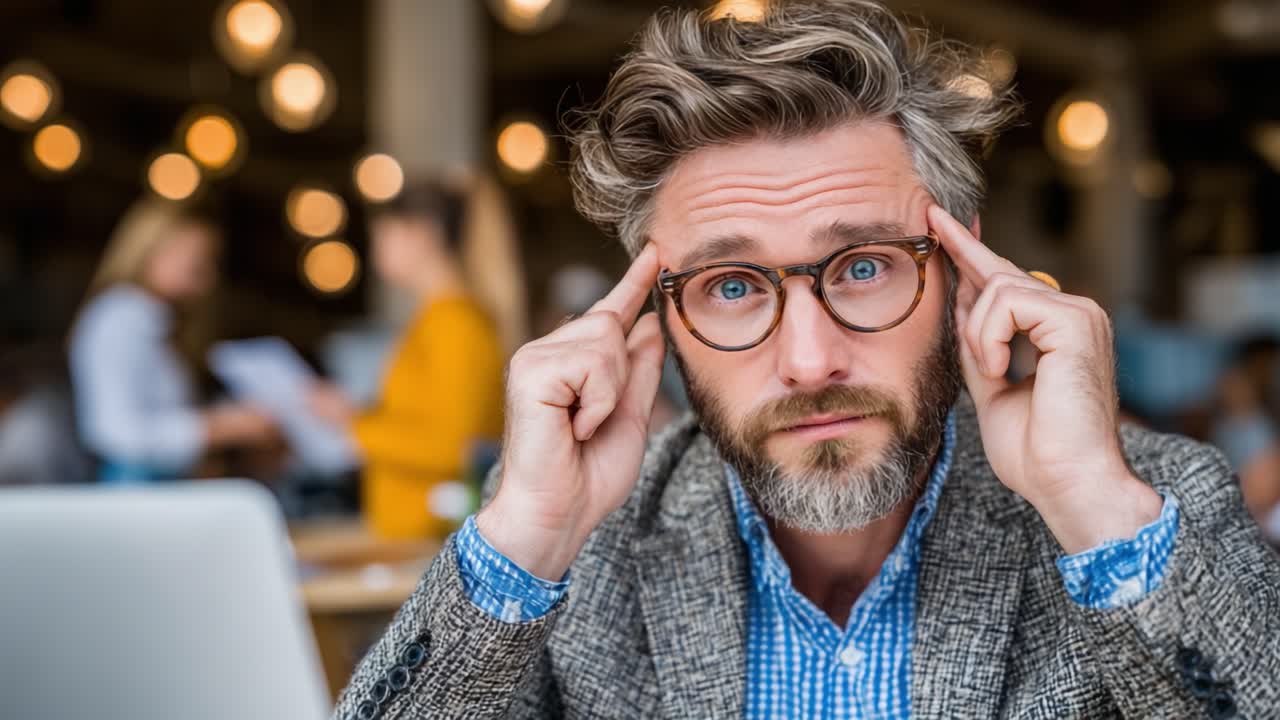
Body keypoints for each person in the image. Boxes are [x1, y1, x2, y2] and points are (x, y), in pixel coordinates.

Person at [335, 2, 1280, 718]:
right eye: (734, 286)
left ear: (963, 268)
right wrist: (526, 534)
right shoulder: (584, 551)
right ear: (655, 317)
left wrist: (1093, 504)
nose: (810, 359)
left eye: (863, 267)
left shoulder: (1150, 510)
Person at [312, 181, 510, 539]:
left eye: (384, 235)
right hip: (413, 534)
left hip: (434, 538)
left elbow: (457, 447)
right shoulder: (434, 321)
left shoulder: (457, 324)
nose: (376, 250)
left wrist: (355, 427)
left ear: (421, 234)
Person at [69, 199, 278, 483]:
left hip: (166, 484)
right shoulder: (117, 319)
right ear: (150, 251)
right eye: (197, 261)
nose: (208, 276)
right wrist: (218, 427)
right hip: (134, 489)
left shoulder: (161, 325)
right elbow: (116, 430)